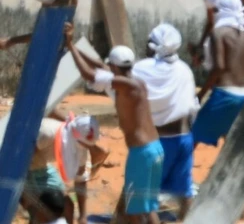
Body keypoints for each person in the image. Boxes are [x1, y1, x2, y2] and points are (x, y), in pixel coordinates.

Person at [66, 35, 161, 224]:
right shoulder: (133, 80)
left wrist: (70, 45)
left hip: (141, 153)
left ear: (116, 67)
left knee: (133, 210)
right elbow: (101, 66)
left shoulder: (126, 85)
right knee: (147, 207)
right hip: (154, 149)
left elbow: (90, 75)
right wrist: (75, 48)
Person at [130, 24, 199, 216]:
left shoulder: (142, 69)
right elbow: (191, 105)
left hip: (158, 142)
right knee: (184, 190)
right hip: (184, 139)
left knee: (143, 193)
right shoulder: (184, 70)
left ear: (152, 46)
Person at [191, 0, 244, 148]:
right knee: (232, 141)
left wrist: (201, 94)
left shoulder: (218, 33)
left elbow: (219, 67)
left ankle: (178, 172)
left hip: (224, 94)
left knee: (191, 137)